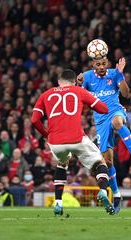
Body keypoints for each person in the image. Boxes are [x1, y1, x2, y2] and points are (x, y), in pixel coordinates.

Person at [31, 69, 114, 216]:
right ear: (74, 81)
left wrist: (46, 135)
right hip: (77, 137)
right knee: (100, 163)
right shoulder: (79, 91)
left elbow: (34, 120)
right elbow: (104, 109)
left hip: (55, 142)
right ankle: (102, 191)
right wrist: (89, 96)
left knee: (62, 164)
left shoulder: (45, 94)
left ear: (58, 81)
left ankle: (58, 203)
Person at [77, 55, 131, 214]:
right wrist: (78, 85)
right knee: (107, 162)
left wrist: (120, 74)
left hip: (115, 111)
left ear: (107, 63)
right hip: (100, 120)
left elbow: (126, 94)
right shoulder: (86, 76)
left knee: (117, 122)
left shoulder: (115, 73)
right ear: (93, 64)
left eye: (104, 63)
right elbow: (80, 98)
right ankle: (117, 195)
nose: (102, 66)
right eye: (98, 64)